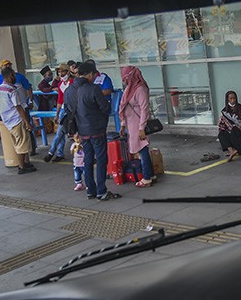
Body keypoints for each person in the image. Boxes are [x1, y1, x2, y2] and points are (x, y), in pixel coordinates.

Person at [66, 62, 120, 200]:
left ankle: (91, 190)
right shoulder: (93, 88)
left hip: (82, 131)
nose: (95, 77)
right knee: (101, 159)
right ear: (90, 74)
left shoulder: (69, 90)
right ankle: (101, 190)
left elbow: (68, 111)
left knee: (88, 159)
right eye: (94, 75)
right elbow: (105, 108)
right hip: (97, 129)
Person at [119, 65, 156, 188]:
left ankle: (146, 178)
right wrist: (123, 124)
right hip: (131, 124)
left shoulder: (140, 89)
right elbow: (124, 107)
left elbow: (144, 109)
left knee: (142, 148)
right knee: (142, 148)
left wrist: (141, 128)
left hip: (138, 123)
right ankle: (150, 175)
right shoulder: (129, 89)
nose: (124, 80)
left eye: (125, 78)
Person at [0, 67, 36, 175]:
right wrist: (27, 122)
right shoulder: (11, 90)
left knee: (18, 142)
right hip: (16, 119)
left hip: (7, 120)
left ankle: (25, 164)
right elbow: (18, 107)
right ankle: (22, 166)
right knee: (21, 144)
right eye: (13, 75)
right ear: (9, 76)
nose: (15, 77)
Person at [43, 63, 73, 163]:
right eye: (59, 72)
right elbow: (60, 100)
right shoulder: (60, 84)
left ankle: (52, 152)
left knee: (60, 133)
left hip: (71, 110)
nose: (61, 74)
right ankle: (58, 153)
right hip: (63, 110)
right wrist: (57, 114)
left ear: (68, 72)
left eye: (62, 72)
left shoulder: (72, 82)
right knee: (60, 133)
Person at [217, 91, 241, 162]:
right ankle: (232, 151)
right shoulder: (224, 110)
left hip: (239, 133)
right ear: (227, 99)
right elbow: (222, 125)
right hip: (230, 131)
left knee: (234, 129)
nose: (233, 100)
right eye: (231, 98)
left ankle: (235, 149)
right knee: (221, 135)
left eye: (234, 98)